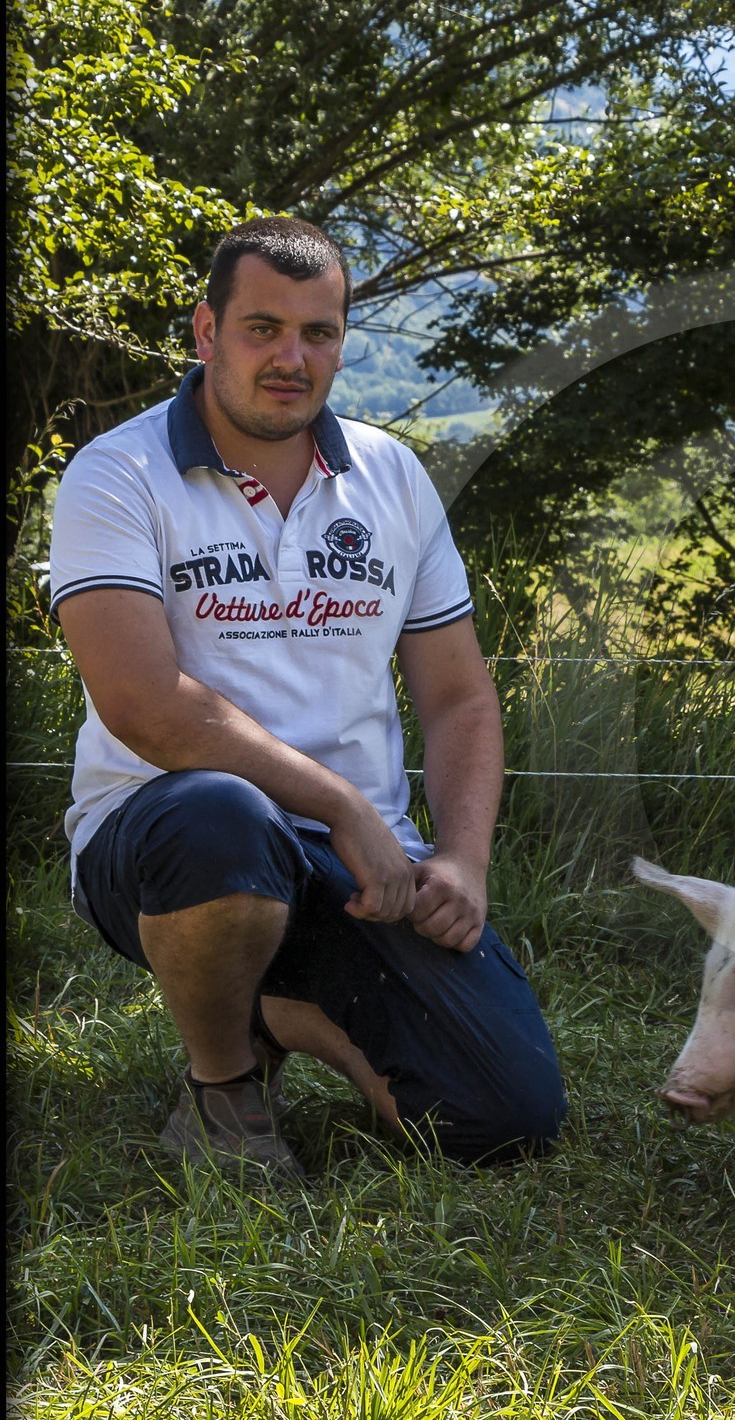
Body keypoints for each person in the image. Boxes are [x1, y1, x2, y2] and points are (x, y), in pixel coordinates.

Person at [48, 215, 567, 1177]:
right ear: (206, 332)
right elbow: (147, 706)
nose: (293, 357)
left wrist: (462, 860)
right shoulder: (117, 474)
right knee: (222, 813)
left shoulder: (393, 476)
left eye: (318, 333)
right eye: (262, 329)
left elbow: (458, 698)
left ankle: (275, 1001)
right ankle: (223, 1086)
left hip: (361, 864)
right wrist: (337, 802)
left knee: (506, 1121)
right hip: (161, 838)